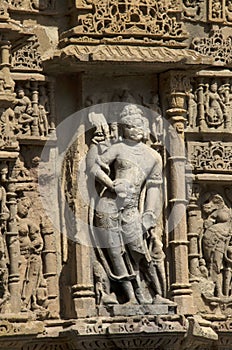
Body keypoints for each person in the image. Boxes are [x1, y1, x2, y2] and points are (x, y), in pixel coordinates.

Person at [87, 104, 171, 304]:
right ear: (123, 128)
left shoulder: (154, 157)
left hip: (132, 209)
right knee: (115, 252)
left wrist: (149, 214)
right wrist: (111, 184)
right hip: (108, 204)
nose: (137, 130)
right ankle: (132, 297)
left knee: (139, 250)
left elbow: (153, 187)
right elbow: (94, 168)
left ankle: (156, 294)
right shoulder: (118, 148)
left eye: (140, 125)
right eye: (131, 126)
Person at [16, 196, 46, 311]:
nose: (26, 209)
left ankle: (25, 303)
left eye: (28, 208)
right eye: (24, 206)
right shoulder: (9, 219)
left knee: (31, 278)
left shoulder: (27, 222)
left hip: (27, 254)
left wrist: (32, 246)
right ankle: (17, 303)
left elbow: (38, 239)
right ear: (17, 202)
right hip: (16, 256)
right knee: (19, 278)